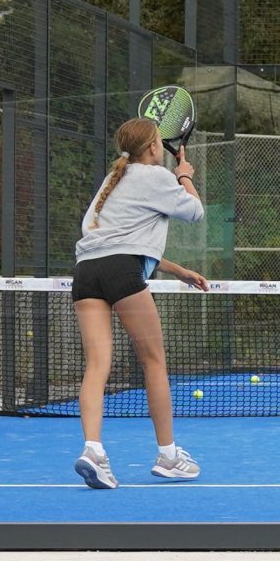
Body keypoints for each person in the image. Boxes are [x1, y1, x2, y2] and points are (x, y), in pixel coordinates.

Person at [69, 117, 210, 486]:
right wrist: (184, 174)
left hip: (86, 273)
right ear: (152, 149)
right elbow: (195, 212)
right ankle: (168, 456)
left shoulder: (110, 182)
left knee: (97, 364)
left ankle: (93, 451)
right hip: (122, 273)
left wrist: (176, 269)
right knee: (153, 362)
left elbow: (115, 240)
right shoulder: (157, 176)